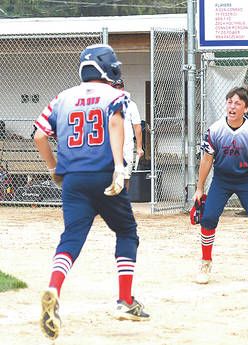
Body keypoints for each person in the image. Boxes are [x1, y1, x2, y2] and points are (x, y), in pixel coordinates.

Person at [33, 44, 149, 340]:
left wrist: (53, 168)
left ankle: (54, 288)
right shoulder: (116, 95)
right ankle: (125, 300)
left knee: (71, 238)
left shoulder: (62, 97)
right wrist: (119, 168)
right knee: (126, 232)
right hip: (103, 174)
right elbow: (113, 123)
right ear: (106, 67)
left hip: (72, 178)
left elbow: (39, 135)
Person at [193, 86, 248, 288]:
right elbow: (207, 160)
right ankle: (205, 263)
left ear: (246, 108)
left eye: (238, 103)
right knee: (208, 218)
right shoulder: (215, 130)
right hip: (222, 179)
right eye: (229, 102)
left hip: (246, 180)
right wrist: (200, 189)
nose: (232, 107)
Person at [112, 79, 144, 191]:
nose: (117, 90)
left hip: (127, 145)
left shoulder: (131, 105)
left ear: (123, 88)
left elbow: (137, 126)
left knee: (126, 176)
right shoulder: (106, 104)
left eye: (119, 87)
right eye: (115, 87)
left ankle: (124, 203)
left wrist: (139, 147)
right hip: (110, 145)